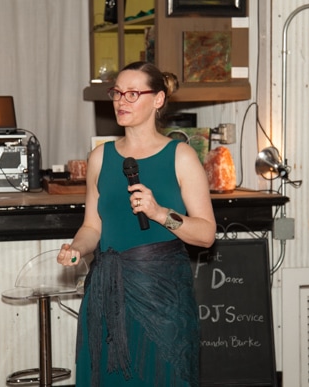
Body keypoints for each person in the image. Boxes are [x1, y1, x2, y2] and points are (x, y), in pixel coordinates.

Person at [58, 61, 216, 386]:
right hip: (106, 293)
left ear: (158, 99)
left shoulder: (181, 156)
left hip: (161, 298)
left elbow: (206, 234)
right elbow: (92, 227)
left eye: (133, 93)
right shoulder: (100, 157)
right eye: (117, 93)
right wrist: (76, 249)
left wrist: (160, 213)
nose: (121, 101)